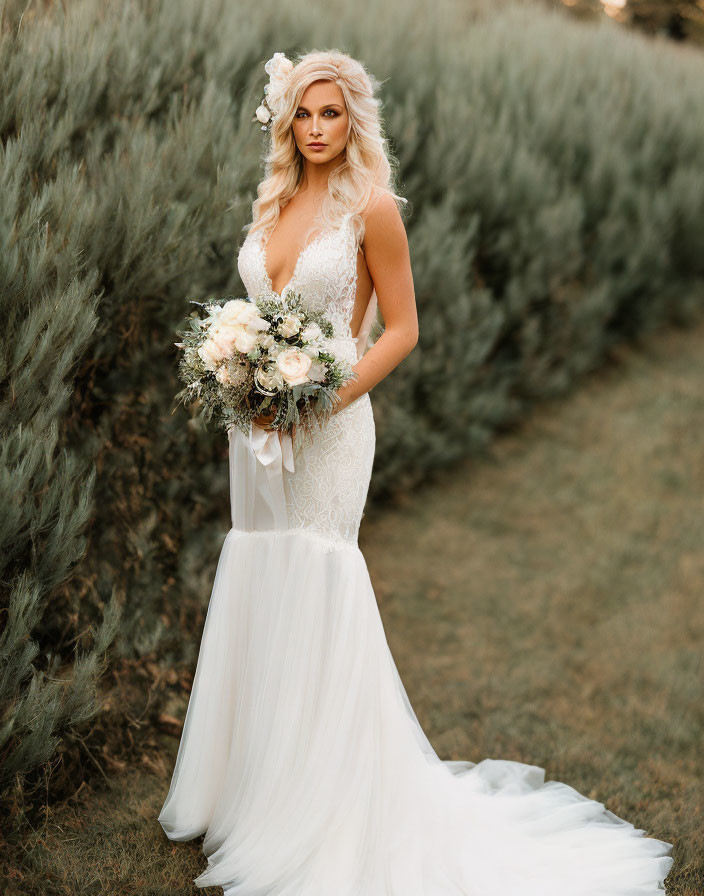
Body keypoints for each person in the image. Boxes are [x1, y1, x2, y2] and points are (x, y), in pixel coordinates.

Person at [158, 49, 674, 895]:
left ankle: (321, 808)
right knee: (260, 566)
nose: (317, 129)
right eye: (303, 114)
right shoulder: (274, 200)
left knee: (319, 578)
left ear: (353, 119)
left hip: (327, 423)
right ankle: (252, 789)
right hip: (253, 428)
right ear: (285, 121)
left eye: (332, 114)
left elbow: (402, 328)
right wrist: (237, 370)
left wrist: (325, 397)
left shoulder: (374, 209)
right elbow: (254, 311)